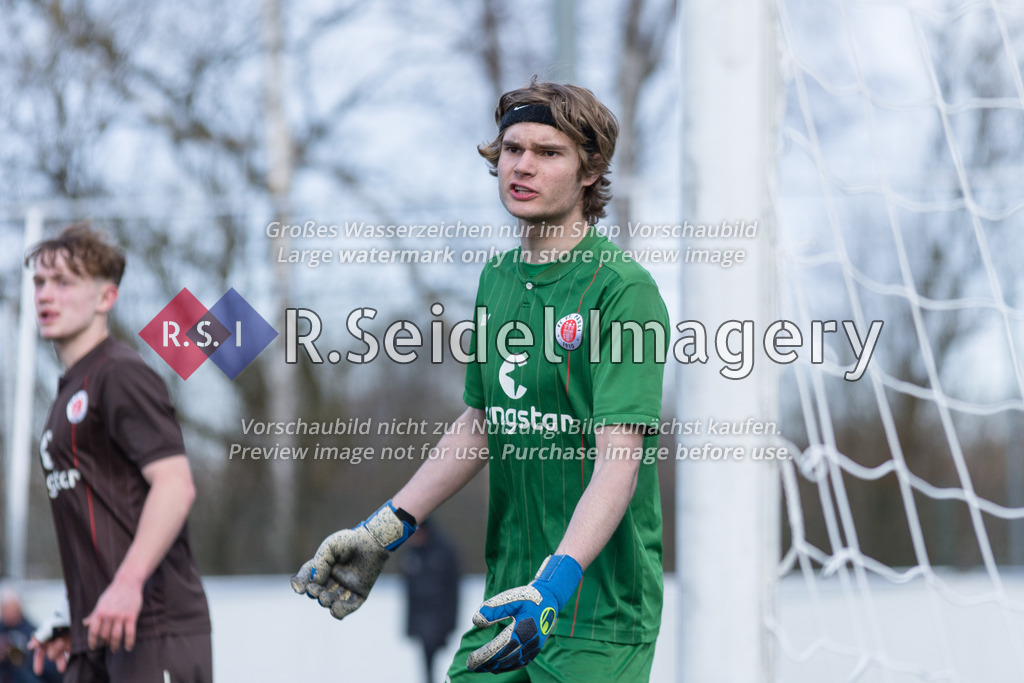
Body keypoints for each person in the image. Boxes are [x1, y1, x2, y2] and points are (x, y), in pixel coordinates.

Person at [292, 78, 669, 681]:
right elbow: (481, 425)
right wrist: (382, 531)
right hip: (505, 602)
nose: (523, 166)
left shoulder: (623, 290)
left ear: (591, 170)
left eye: (549, 152)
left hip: (596, 617)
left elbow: (618, 461)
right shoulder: (497, 279)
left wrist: (553, 587)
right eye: (512, 149)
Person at [25, 224, 212, 682]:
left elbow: (175, 486)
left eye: (64, 282)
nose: (46, 294)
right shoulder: (70, 390)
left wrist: (127, 585)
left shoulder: (121, 374)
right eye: (40, 282)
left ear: (106, 297)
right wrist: (74, 614)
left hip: (153, 629)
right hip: (99, 631)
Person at [401, 519, 461, 683]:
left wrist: (450, 623)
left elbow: (453, 591)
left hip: (439, 618)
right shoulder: (412, 554)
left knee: (441, 657)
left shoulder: (443, 551)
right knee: (427, 657)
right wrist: (410, 625)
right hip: (422, 619)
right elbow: (409, 594)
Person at [0, 587, 60, 683]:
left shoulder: (33, 632)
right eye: (6, 609)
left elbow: (47, 668)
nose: (9, 613)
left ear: (19, 608)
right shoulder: (2, 630)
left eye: (12, 609)